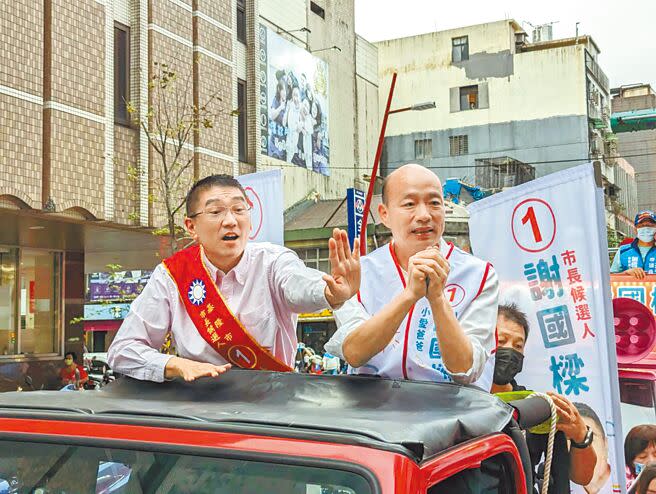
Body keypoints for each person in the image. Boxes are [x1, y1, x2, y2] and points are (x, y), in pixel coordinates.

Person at [108, 174, 360, 382]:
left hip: (272, 403)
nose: (230, 221)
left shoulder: (273, 261)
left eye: (239, 210)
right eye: (216, 211)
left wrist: (329, 293)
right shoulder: (172, 275)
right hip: (203, 410)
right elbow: (122, 350)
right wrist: (175, 365)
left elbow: (297, 285)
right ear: (191, 226)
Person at [325, 163, 498, 389]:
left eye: (435, 203)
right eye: (409, 204)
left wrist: (437, 298)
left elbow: (466, 369)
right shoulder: (361, 272)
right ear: (385, 215)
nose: (424, 215)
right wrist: (409, 295)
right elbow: (355, 353)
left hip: (448, 415)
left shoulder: (479, 274)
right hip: (371, 413)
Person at [489, 304, 597, 491]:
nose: (509, 351)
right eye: (501, 341)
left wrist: (581, 436)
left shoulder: (537, 409)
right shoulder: (455, 401)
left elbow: (582, 477)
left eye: (518, 346)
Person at [570, 402, 612, 494]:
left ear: (605, 444)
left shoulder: (629, 482)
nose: (581, 446)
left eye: (589, 437)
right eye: (571, 440)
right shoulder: (556, 486)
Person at [611, 210, 656, 279]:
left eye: (650, 225)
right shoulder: (623, 251)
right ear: (635, 229)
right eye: (642, 226)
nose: (646, 229)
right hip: (633, 289)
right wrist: (625, 273)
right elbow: (612, 277)